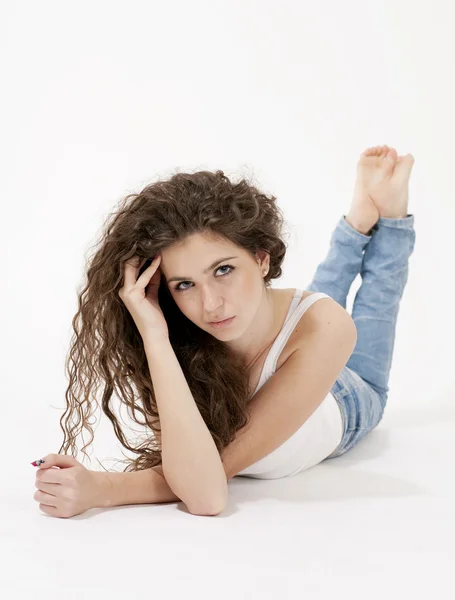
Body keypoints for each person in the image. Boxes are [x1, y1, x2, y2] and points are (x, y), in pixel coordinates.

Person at [32, 144, 416, 517]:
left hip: (347, 399)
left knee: (365, 305)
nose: (210, 304)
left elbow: (207, 490)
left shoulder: (326, 329)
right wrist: (153, 335)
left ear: (261, 259)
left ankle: (389, 214)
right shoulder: (170, 340)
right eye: (184, 284)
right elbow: (191, 470)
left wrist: (101, 489)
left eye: (223, 270)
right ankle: (358, 219)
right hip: (289, 337)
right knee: (318, 303)